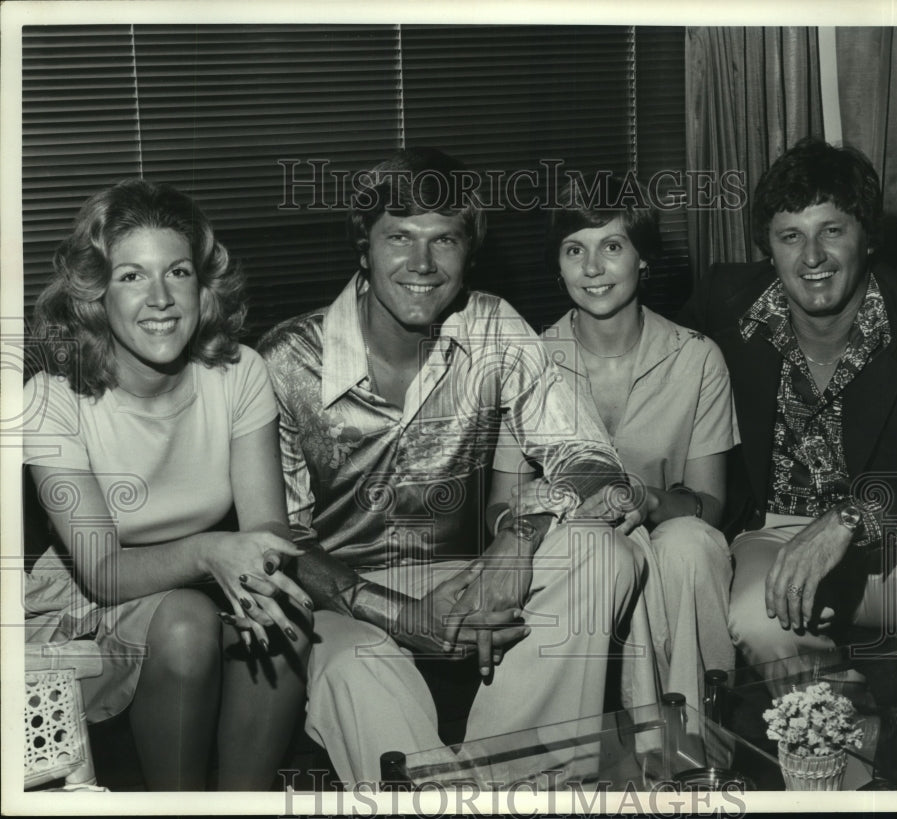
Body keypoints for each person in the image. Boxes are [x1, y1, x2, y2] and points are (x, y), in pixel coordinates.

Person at [258, 148, 659, 785]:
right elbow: (279, 541)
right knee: (355, 669)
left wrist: (520, 534)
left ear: (467, 251)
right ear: (363, 247)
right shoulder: (285, 360)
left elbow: (590, 460)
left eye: (443, 239)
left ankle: (515, 787)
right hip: (340, 594)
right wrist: (394, 614)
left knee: (604, 553)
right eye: (399, 237)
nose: (422, 265)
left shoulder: (492, 326)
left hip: (458, 572)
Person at [23, 178, 312, 790]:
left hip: (207, 576)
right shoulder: (50, 400)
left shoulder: (240, 372)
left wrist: (246, 563)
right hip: (85, 600)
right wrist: (211, 551)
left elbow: (267, 528)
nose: (160, 297)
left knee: (285, 612)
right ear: (95, 294)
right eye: (131, 276)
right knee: (184, 623)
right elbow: (102, 571)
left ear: (203, 287)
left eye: (177, 272)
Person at [679, 138, 897, 666]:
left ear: (867, 238)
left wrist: (852, 517)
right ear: (768, 247)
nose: (812, 257)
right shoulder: (723, 303)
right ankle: (819, 737)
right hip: (773, 535)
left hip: (891, 550)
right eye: (790, 236)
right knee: (757, 617)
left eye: (832, 231)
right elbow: (657, 371)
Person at [490, 174, 740, 710]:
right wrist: (544, 514)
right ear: (558, 267)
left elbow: (710, 506)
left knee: (689, 545)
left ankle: (694, 745)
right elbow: (499, 504)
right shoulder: (527, 362)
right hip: (571, 554)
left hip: (671, 551)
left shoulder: (696, 358)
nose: (592, 268)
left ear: (642, 258)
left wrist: (646, 499)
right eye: (574, 250)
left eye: (612, 246)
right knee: (601, 550)